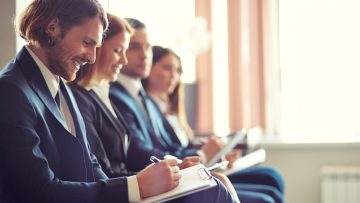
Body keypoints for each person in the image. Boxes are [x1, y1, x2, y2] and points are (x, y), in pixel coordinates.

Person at [0, 1, 236, 203]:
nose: (92, 57)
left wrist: (162, 178)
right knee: (213, 192)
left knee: (210, 187)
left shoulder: (60, 84)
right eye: (87, 43)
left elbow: (91, 168)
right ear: (53, 28)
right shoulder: (10, 90)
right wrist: (135, 186)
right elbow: (39, 193)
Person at [108, 18, 280, 203]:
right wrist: (201, 157)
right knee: (261, 196)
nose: (144, 55)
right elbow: (139, 151)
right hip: (156, 180)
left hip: (177, 172)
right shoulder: (116, 95)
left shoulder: (144, 98)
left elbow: (171, 146)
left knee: (270, 177)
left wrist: (208, 156)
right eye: (134, 47)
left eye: (147, 47)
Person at [142, 45, 285, 203]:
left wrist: (217, 157)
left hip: (197, 169)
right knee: (266, 197)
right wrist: (204, 155)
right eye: (167, 68)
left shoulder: (172, 111)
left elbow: (184, 148)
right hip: (185, 176)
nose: (173, 76)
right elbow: (166, 152)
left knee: (272, 178)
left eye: (178, 71)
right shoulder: (147, 109)